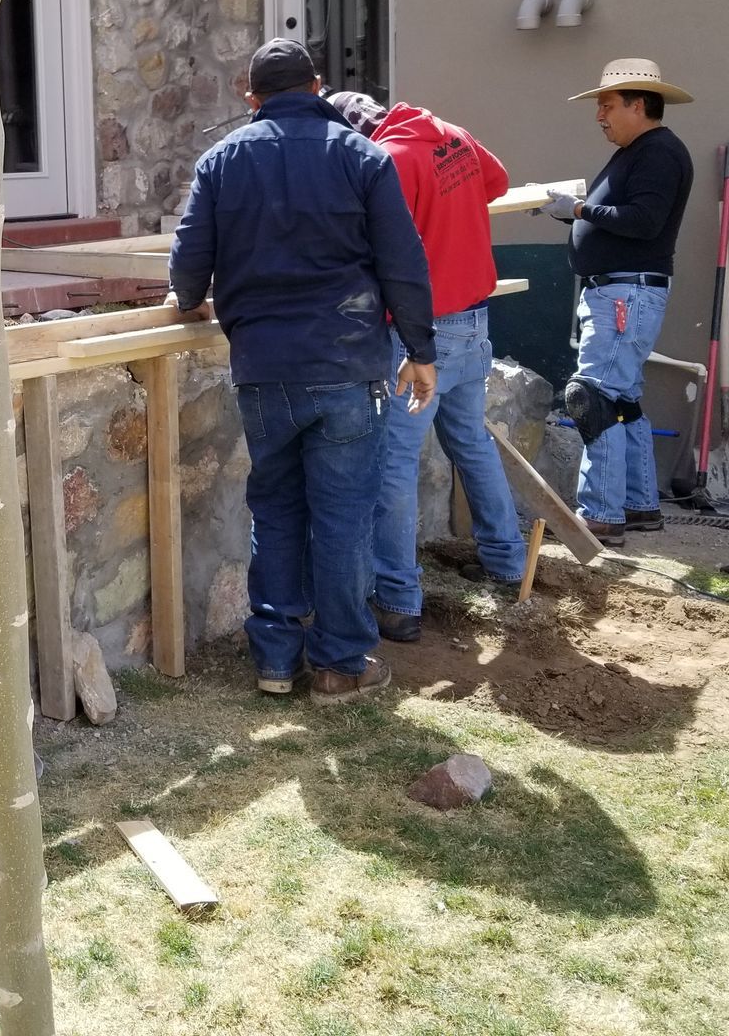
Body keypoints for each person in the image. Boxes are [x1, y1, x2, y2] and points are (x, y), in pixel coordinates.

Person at [168, 40, 438, 704]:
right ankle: (340, 666)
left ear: (251, 98)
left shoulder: (221, 161)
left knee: (277, 511)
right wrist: (422, 351)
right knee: (344, 516)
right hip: (347, 366)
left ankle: (275, 661)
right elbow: (403, 263)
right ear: (318, 87)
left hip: (263, 369)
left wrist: (193, 298)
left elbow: (186, 270)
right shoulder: (364, 158)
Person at [332, 92, 525, 640]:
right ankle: (507, 562)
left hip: (422, 335)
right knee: (470, 440)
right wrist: (448, 217)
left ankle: (398, 598)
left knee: (393, 462)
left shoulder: (389, 158)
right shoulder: (448, 133)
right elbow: (498, 182)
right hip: (474, 320)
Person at [537, 59, 695, 546]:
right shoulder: (640, 151)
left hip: (626, 291)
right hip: (621, 289)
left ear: (639, 105)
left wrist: (580, 208)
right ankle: (637, 504)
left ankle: (601, 513)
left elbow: (644, 220)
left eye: (607, 104)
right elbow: (624, 219)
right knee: (620, 398)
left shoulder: (658, 152)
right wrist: (576, 218)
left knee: (593, 398)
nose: (599, 115)